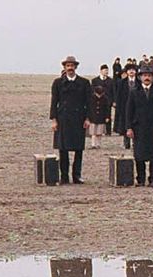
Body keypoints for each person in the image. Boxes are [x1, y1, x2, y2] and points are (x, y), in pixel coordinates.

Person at [49, 55, 91, 185]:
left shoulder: (84, 83)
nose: (70, 68)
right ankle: (64, 176)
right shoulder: (58, 83)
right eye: (68, 66)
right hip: (63, 119)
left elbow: (88, 102)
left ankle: (77, 176)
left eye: (72, 66)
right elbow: (54, 102)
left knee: (78, 150)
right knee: (63, 150)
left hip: (79, 119)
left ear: (76, 67)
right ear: (64, 67)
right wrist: (54, 120)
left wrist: (88, 118)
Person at [125, 65, 153, 187]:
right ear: (140, 77)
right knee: (139, 155)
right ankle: (140, 179)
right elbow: (129, 111)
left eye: (149, 76)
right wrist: (128, 127)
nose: (147, 78)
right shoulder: (134, 92)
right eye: (144, 75)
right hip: (138, 128)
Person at [114, 63, 140, 149]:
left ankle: (136, 143)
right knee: (126, 125)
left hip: (137, 107)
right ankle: (126, 142)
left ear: (136, 72)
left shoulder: (139, 82)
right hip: (124, 107)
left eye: (133, 70)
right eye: (129, 70)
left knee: (136, 125)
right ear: (127, 72)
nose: (131, 71)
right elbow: (118, 96)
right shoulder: (121, 82)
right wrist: (118, 108)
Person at [91, 64, 114, 135]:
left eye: (107, 70)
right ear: (101, 71)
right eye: (105, 70)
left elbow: (113, 91)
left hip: (108, 101)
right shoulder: (95, 80)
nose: (106, 72)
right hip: (97, 101)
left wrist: (113, 101)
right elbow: (92, 91)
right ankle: (97, 131)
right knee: (98, 115)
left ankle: (108, 131)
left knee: (108, 115)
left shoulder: (111, 80)